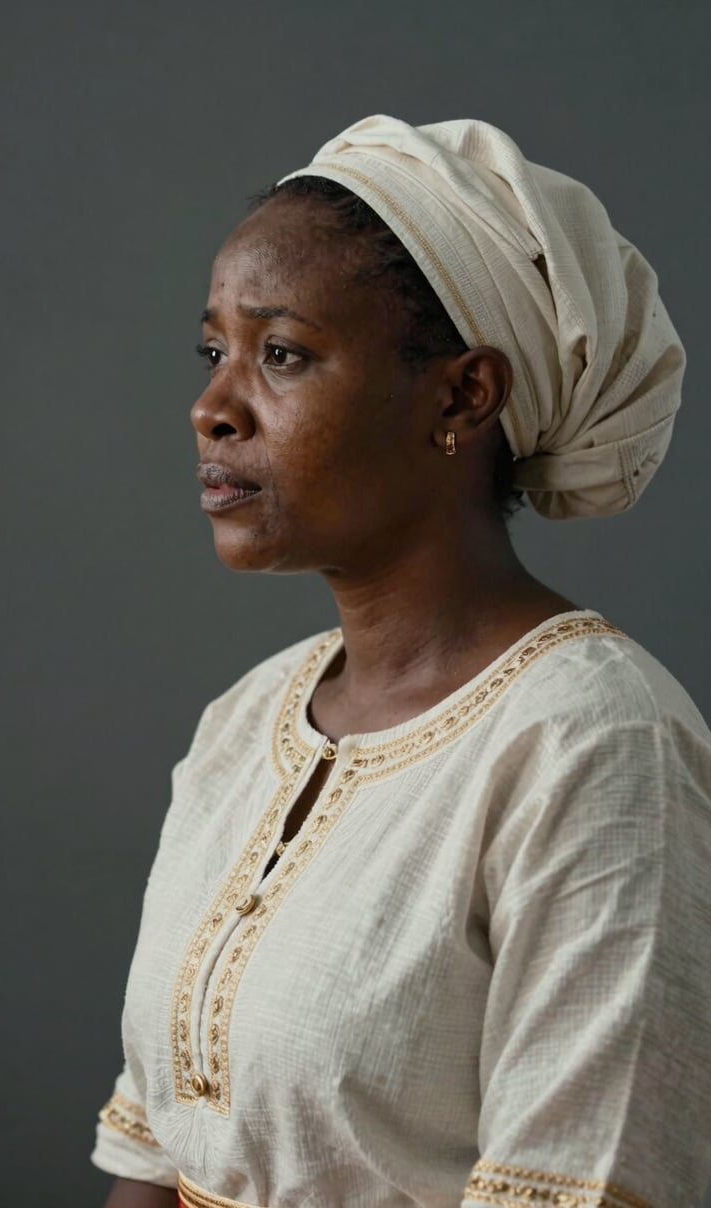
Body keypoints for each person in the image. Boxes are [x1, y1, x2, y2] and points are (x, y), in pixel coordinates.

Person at [91, 116, 711, 1208]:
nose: (213, 407)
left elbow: (578, 1180)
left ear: (464, 394)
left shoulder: (595, 743)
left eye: (281, 354)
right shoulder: (249, 721)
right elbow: (156, 1154)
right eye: (214, 351)